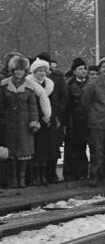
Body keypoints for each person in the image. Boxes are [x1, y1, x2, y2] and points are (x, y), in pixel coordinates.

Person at [0, 55, 40, 188]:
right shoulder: (4, 85)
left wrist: (34, 121)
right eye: (16, 69)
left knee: (24, 152)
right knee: (10, 152)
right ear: (12, 70)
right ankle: (13, 179)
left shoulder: (29, 87)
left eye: (22, 70)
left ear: (25, 71)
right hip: (9, 123)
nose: (19, 72)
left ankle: (22, 178)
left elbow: (33, 107)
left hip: (24, 123)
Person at [81, 57, 105, 187]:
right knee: (97, 152)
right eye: (103, 67)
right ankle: (94, 177)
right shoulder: (92, 85)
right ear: (99, 69)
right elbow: (85, 103)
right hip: (97, 123)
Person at [38, 52, 68, 183]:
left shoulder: (57, 77)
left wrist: (56, 112)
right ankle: (41, 174)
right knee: (41, 146)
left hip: (55, 116)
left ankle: (52, 173)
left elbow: (64, 96)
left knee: (54, 146)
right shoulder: (33, 78)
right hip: (40, 117)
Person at [28, 57, 58, 186]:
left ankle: (44, 174)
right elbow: (30, 104)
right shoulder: (29, 84)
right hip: (36, 120)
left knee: (46, 149)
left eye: (44, 71)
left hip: (48, 121)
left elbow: (54, 102)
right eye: (39, 71)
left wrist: (51, 117)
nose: (42, 73)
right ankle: (36, 176)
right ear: (34, 72)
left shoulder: (50, 84)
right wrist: (40, 117)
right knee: (36, 149)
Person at [63, 57, 90, 181]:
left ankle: (83, 172)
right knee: (73, 148)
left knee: (84, 148)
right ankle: (71, 173)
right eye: (80, 69)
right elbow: (66, 104)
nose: (83, 71)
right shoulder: (69, 84)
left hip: (87, 120)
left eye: (84, 68)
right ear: (74, 71)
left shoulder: (90, 83)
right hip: (73, 120)